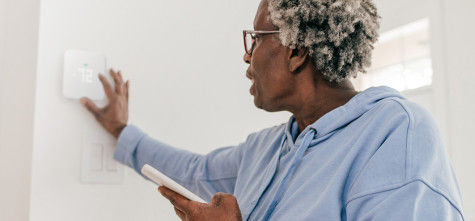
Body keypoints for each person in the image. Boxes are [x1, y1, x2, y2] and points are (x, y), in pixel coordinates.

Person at [80, 0, 464, 220]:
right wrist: (121, 130)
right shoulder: (266, 149)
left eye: (256, 40)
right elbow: (194, 171)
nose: (247, 58)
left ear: (295, 50)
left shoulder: (396, 133)